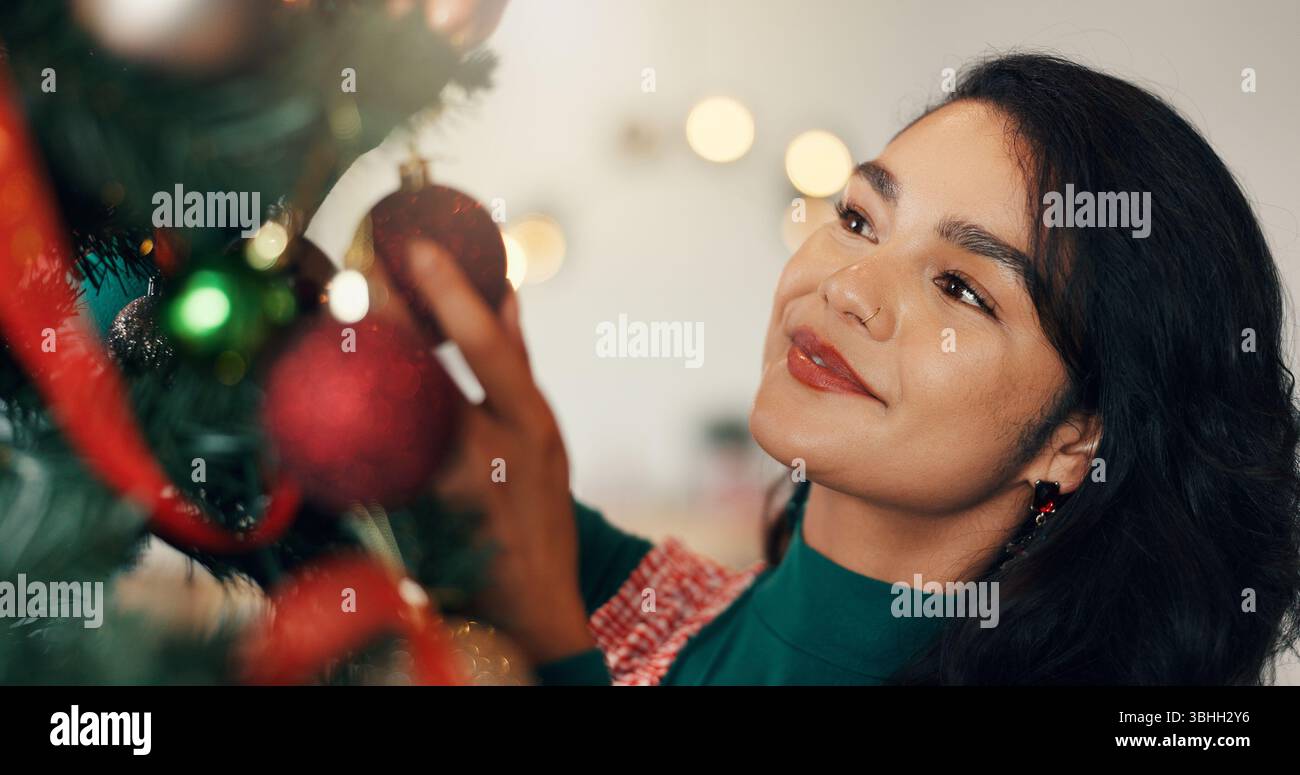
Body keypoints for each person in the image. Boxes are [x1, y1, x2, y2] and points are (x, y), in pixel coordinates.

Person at [396, 53, 1300, 685]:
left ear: (1076, 439)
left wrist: (557, 645)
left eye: (960, 286)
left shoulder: (562, 598)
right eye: (861, 219)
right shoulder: (634, 591)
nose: (851, 286)